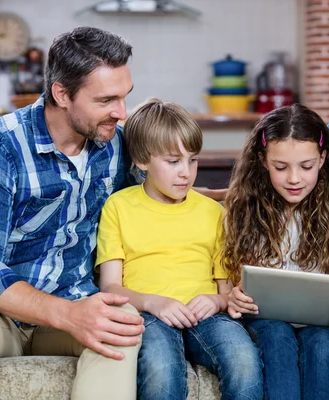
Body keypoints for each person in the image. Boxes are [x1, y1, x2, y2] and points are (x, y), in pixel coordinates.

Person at [0, 27, 145, 400]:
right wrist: (65, 313)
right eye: (107, 99)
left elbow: (162, 199)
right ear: (62, 93)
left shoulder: (114, 145)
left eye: (125, 97)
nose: (121, 113)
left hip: (73, 304)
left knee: (120, 321)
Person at [96, 98, 264, 400]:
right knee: (162, 370)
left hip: (207, 316)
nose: (186, 172)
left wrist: (216, 301)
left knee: (244, 360)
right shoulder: (118, 207)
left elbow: (227, 290)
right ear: (142, 160)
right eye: (173, 162)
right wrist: (154, 303)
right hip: (147, 313)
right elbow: (110, 286)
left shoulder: (212, 212)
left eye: (193, 160)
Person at [222, 103, 329, 400]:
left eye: (306, 166)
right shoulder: (246, 210)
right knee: (276, 337)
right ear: (263, 161)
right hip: (267, 322)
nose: (294, 179)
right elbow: (243, 283)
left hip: (322, 326)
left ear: (322, 159)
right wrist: (234, 298)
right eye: (281, 167)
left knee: (321, 344)